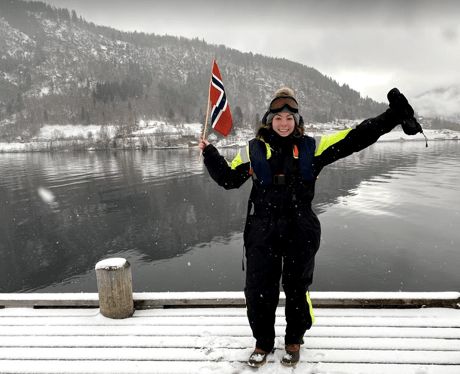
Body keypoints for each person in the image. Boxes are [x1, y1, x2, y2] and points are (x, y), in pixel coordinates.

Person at [198, 87, 421, 367]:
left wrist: (393, 117)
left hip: (300, 228)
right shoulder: (252, 151)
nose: (283, 123)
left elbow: (355, 137)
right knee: (257, 290)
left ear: (297, 121)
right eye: (278, 117)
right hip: (262, 230)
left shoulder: (313, 148)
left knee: (297, 287)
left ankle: (294, 340)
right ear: (269, 120)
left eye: (289, 118)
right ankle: (263, 343)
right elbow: (228, 179)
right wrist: (210, 154)